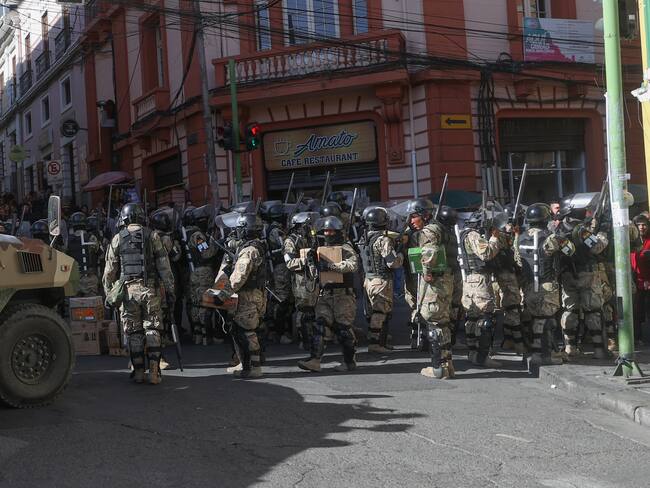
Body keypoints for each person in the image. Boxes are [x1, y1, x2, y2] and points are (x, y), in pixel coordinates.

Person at [102, 203, 175, 385]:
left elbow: (109, 271)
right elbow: (164, 266)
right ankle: (155, 372)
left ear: (124, 218)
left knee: (134, 332)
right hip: (151, 289)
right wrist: (171, 290)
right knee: (152, 328)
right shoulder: (153, 235)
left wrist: (110, 294)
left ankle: (139, 372)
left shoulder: (117, 239)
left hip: (128, 291)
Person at [516, 203, 575, 366]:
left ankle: (537, 353)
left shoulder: (520, 238)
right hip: (547, 285)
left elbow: (517, 261)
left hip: (528, 286)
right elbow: (571, 251)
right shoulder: (551, 237)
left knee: (537, 320)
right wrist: (563, 232)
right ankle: (546, 354)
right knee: (548, 321)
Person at [298, 216, 359, 372]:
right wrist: (312, 262)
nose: (328, 233)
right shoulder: (320, 249)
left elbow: (353, 265)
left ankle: (349, 362)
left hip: (343, 295)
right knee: (320, 326)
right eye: (325, 230)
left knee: (344, 329)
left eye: (331, 231)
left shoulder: (345, 247)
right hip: (325, 293)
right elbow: (313, 274)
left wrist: (332, 266)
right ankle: (315, 360)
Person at [214, 213, 268, 378]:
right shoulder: (258, 245)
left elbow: (238, 277)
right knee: (245, 330)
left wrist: (222, 295)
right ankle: (247, 366)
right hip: (257, 294)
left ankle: (255, 368)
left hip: (247, 296)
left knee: (247, 331)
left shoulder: (248, 251)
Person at [557, 196, 609, 359]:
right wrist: (602, 234)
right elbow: (597, 247)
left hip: (567, 275)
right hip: (586, 274)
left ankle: (570, 347)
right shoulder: (581, 230)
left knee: (570, 310)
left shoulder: (559, 229)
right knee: (593, 310)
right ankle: (599, 350)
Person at [458, 210, 502, 367]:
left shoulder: (463, 234)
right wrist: (494, 238)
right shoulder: (474, 235)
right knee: (485, 318)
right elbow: (486, 253)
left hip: (469, 279)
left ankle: (473, 353)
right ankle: (483, 356)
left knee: (472, 318)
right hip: (478, 280)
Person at [358, 207, 403, 354]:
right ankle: (375, 344)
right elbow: (392, 263)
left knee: (377, 313)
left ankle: (381, 342)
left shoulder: (364, 238)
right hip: (381, 280)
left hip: (368, 280)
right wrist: (401, 255)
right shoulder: (383, 240)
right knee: (380, 313)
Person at [283, 211, 320, 351]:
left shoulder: (310, 238)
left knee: (314, 309)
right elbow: (290, 262)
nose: (309, 228)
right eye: (306, 225)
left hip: (312, 278)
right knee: (304, 310)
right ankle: (304, 339)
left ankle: (313, 337)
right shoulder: (290, 241)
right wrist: (305, 260)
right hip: (301, 280)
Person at [184, 205, 218, 345]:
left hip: (193, 273)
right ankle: (205, 336)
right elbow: (206, 253)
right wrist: (216, 243)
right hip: (203, 272)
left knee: (195, 304)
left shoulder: (186, 232)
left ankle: (198, 335)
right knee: (205, 304)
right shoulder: (198, 235)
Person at [262, 202, 294, 344]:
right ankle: (280, 331)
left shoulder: (269, 228)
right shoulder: (276, 230)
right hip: (280, 267)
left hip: (275, 267)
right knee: (283, 299)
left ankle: (274, 329)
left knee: (276, 299)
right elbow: (284, 245)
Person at [67, 211, 101, 296]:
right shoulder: (92, 238)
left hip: (74, 280)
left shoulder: (68, 240)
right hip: (90, 279)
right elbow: (100, 254)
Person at [632, 214, 650, 344]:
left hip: (648, 281)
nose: (642, 227)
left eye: (644, 225)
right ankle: (637, 337)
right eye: (639, 225)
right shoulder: (631, 242)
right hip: (635, 282)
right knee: (636, 312)